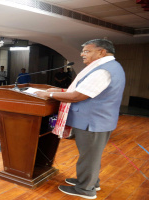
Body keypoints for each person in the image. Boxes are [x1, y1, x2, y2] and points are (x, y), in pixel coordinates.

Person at [35, 39, 125, 199]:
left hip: (93, 121)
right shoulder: (110, 66)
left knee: (89, 156)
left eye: (87, 51)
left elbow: (78, 95)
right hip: (97, 119)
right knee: (91, 155)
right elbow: (81, 90)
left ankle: (85, 189)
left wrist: (48, 94)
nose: (82, 54)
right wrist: (59, 90)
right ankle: (91, 182)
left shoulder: (103, 70)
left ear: (102, 52)